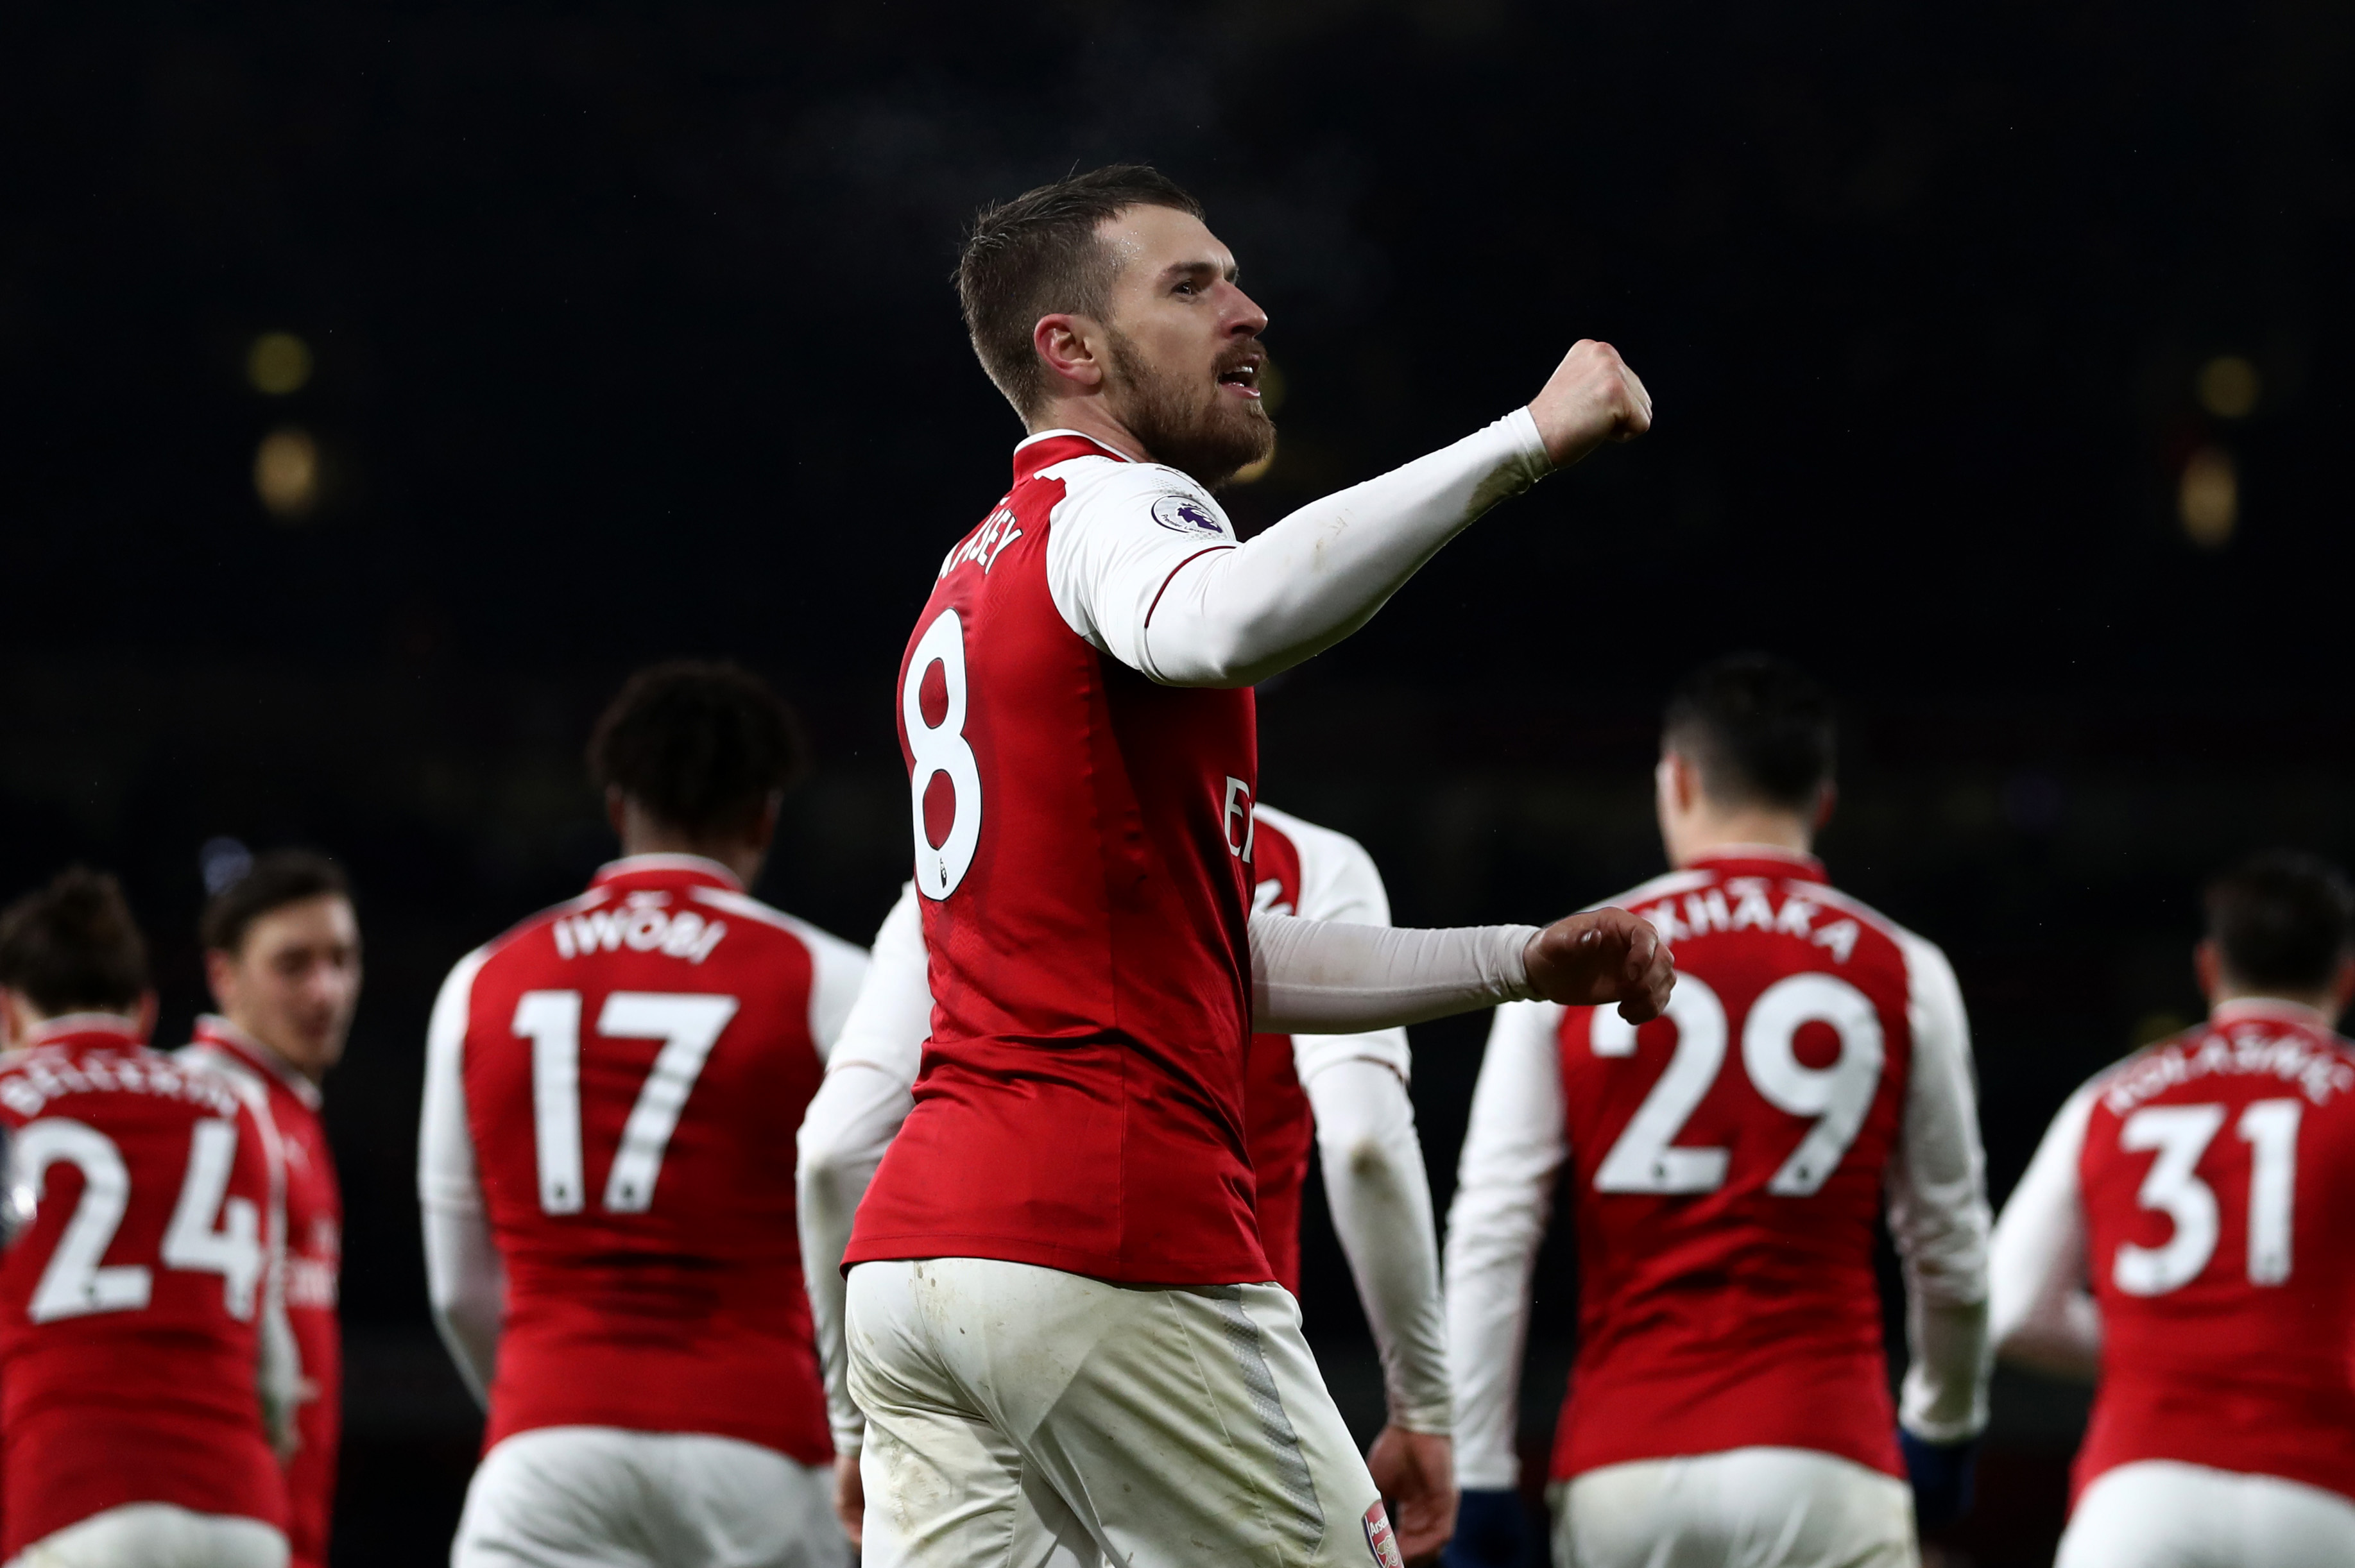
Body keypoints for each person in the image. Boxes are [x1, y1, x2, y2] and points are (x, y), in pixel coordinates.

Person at [843, 162, 1671, 1568]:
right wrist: (1525, 440)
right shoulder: (1114, 509)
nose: (1250, 309)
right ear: (1072, 350)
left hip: (921, 1264)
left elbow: (1217, 954)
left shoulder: (969, 570)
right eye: (1191, 284)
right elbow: (1229, 620)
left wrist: (1510, 963)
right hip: (1101, 1226)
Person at [1443, 654, 1992, 1568]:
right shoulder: (1903, 967)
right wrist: (1944, 1427)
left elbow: (1494, 1234)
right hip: (1825, 1453)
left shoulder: (1571, 958)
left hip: (1625, 1460)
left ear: (1679, 781)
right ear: (1823, 801)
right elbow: (1949, 1247)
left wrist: (1480, 1468)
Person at [800, 803, 1455, 1556]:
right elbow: (1365, 1141)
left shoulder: (967, 858)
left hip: (929, 1296)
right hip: (1181, 1317)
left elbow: (832, 1149)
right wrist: (1422, 1403)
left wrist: (853, 1419)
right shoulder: (1314, 863)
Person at [418, 662, 869, 1568]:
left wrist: (546, 1411)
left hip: (546, 1451)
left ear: (617, 808)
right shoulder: (827, 980)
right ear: (764, 818)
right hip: (764, 1452)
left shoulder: (481, 982)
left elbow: (458, 1290)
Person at [1989, 851, 2355, 1567]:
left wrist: (2159, 1345)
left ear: (2208, 966)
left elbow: (2010, 1310)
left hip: (2138, 1493)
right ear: (2345, 974)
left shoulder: (2107, 1098)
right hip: (2319, 1488)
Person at [0, 867, 295, 1568]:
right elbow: (276, 1374)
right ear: (143, 1010)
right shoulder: (235, 1108)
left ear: (8, 1010)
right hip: (242, 1511)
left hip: (74, 1494)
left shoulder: (7, 1102)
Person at [180, 850, 362, 1568]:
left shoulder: (281, 1106)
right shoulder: (202, 1103)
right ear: (224, 975)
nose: (327, 991)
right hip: (216, 1510)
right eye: (293, 965)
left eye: (342, 959)